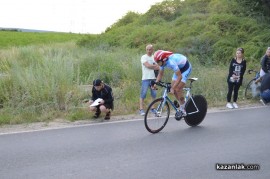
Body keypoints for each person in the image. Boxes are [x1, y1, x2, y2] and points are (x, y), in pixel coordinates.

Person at [153, 50, 192, 115]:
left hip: (186, 68)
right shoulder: (162, 62)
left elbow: (179, 77)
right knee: (173, 88)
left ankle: (183, 108)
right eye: (156, 62)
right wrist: (155, 83)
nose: (157, 63)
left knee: (177, 89)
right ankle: (182, 104)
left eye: (158, 62)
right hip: (179, 68)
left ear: (164, 60)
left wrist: (173, 88)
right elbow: (160, 74)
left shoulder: (171, 63)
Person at [139, 44, 160, 116]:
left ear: (152, 50)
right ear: (146, 50)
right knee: (143, 93)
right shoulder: (143, 57)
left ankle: (153, 108)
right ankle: (141, 109)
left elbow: (159, 67)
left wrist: (153, 66)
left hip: (153, 78)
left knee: (153, 94)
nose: (148, 51)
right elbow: (147, 66)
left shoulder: (154, 57)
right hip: (145, 78)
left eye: (150, 49)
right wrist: (154, 66)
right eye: (147, 49)